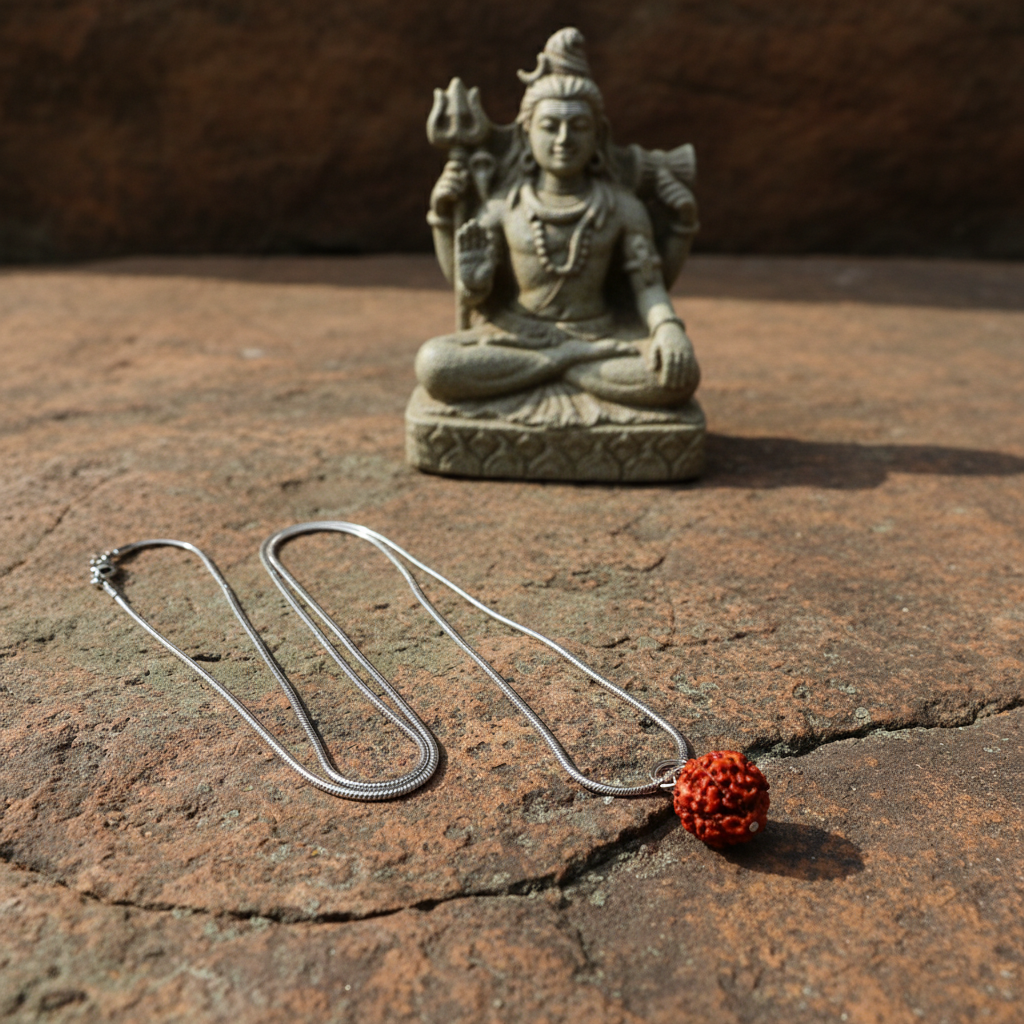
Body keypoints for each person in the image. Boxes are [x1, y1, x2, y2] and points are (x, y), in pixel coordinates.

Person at [416, 28, 700, 412]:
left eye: (578, 127)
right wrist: (472, 275)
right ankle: (567, 364)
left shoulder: (622, 206)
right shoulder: (503, 206)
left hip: (599, 336)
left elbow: (649, 287)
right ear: (526, 133)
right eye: (550, 126)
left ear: (598, 135)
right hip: (519, 337)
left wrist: (667, 329)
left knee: (678, 374)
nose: (564, 139)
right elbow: (471, 297)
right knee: (436, 364)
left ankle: (549, 369)